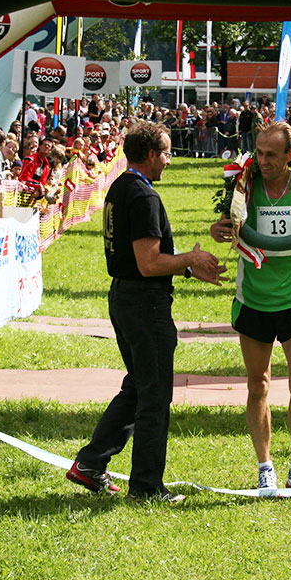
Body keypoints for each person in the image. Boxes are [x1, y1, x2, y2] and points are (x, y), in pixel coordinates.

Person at [66, 122, 226, 502]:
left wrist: (187, 268)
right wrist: (189, 258)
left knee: (139, 387)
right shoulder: (144, 196)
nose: (169, 161)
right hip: (144, 304)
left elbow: (143, 261)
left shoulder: (120, 187)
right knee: (155, 396)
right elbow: (149, 263)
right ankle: (146, 487)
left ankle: (90, 463)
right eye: (167, 153)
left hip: (125, 298)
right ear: (151, 154)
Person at [207, 121, 291, 491]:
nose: (262, 160)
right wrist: (219, 231)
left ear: (289, 157)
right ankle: (265, 467)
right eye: (259, 152)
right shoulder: (244, 189)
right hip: (254, 299)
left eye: (270, 155)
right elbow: (226, 226)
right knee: (258, 384)